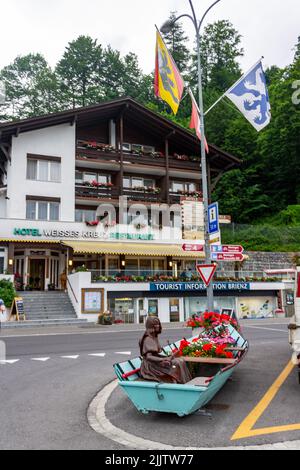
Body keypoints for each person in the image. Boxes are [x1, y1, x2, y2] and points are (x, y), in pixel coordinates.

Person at [139, 316, 192, 384]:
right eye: (155, 325)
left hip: (156, 360)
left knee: (181, 360)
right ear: (150, 326)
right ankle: (177, 383)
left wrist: (166, 358)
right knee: (176, 363)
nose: (158, 326)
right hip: (150, 365)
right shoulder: (148, 339)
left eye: (158, 324)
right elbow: (149, 357)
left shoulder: (154, 336)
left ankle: (186, 382)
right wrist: (163, 359)